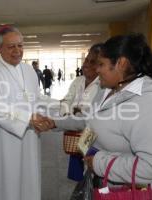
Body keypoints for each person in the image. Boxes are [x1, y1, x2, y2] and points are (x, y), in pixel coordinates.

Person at [51, 33, 152, 186]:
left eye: (101, 64)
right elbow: (88, 118)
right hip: (100, 182)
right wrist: (54, 122)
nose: (97, 70)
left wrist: (100, 163)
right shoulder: (107, 90)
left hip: (123, 191)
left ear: (121, 63)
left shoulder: (147, 102)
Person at [0, 26, 50, 200]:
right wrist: (28, 119)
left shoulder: (28, 70)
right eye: (11, 47)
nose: (17, 51)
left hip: (30, 136)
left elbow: (35, 97)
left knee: (30, 178)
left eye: (20, 45)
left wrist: (61, 105)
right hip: (4, 138)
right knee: (7, 180)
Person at [59, 43, 102, 182]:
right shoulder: (78, 81)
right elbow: (66, 100)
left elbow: (97, 112)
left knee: (95, 175)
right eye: (86, 60)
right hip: (76, 136)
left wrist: (79, 111)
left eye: (92, 62)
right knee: (80, 178)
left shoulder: (103, 84)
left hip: (95, 138)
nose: (86, 64)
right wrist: (68, 113)